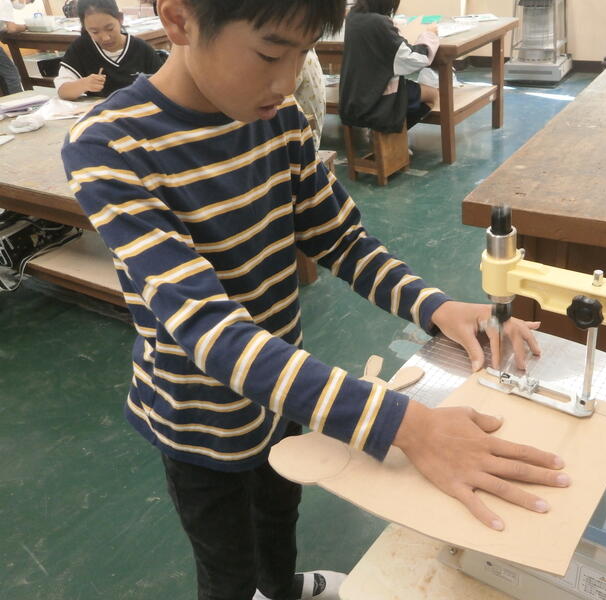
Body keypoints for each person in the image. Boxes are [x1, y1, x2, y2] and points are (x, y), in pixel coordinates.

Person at [60, 2, 570, 599]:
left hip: (287, 391)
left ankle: (281, 589)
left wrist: (433, 306)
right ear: (180, 21)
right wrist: (406, 426)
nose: (289, 80)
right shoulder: (109, 146)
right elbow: (212, 334)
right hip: (200, 418)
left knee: (280, 513)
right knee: (227, 567)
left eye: (304, 53)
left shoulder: (279, 119)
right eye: (271, 54)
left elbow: (342, 240)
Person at [339, 0, 439, 133]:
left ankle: (383, 133)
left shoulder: (353, 16)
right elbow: (413, 59)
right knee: (432, 94)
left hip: (353, 98)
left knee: (410, 87)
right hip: (377, 101)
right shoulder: (379, 23)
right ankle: (390, 134)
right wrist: (429, 35)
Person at [55, 0, 163, 100]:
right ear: (85, 27)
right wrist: (83, 84)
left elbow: (164, 87)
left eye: (110, 28)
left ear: (120, 19)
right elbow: (63, 91)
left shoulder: (141, 49)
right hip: (100, 112)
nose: (105, 38)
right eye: (94, 32)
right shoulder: (81, 48)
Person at [294, 48, 325, 151]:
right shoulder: (310, 53)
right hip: (313, 137)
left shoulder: (299, 59)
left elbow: (281, 95)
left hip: (305, 142)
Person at [0, 0, 33, 95]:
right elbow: (12, 28)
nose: (24, 4)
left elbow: (6, 27)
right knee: (11, 74)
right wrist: (26, 27)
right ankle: (18, 102)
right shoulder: (5, 2)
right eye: (26, 2)